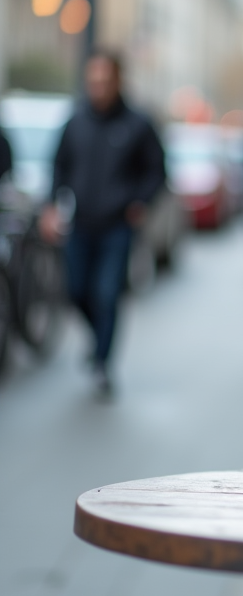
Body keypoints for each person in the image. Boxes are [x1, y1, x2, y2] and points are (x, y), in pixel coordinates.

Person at [40, 50, 165, 393]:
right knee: (76, 290)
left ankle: (102, 364)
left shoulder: (137, 123)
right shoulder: (76, 120)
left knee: (106, 293)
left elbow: (156, 170)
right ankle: (99, 339)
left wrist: (140, 201)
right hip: (81, 222)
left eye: (104, 80)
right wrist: (50, 205)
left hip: (117, 224)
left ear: (117, 81)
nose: (98, 87)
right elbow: (59, 165)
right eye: (92, 80)